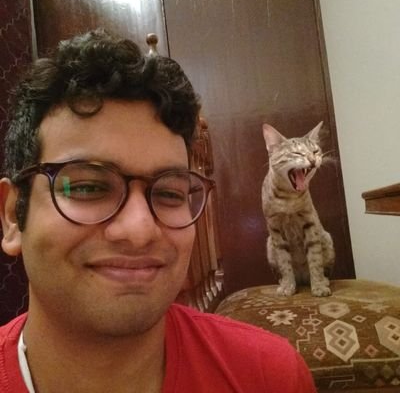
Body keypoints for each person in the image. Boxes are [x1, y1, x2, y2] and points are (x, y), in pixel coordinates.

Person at [0, 29, 316, 392]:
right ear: (12, 217)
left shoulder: (269, 376)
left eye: (169, 193)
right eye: (87, 187)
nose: (140, 230)